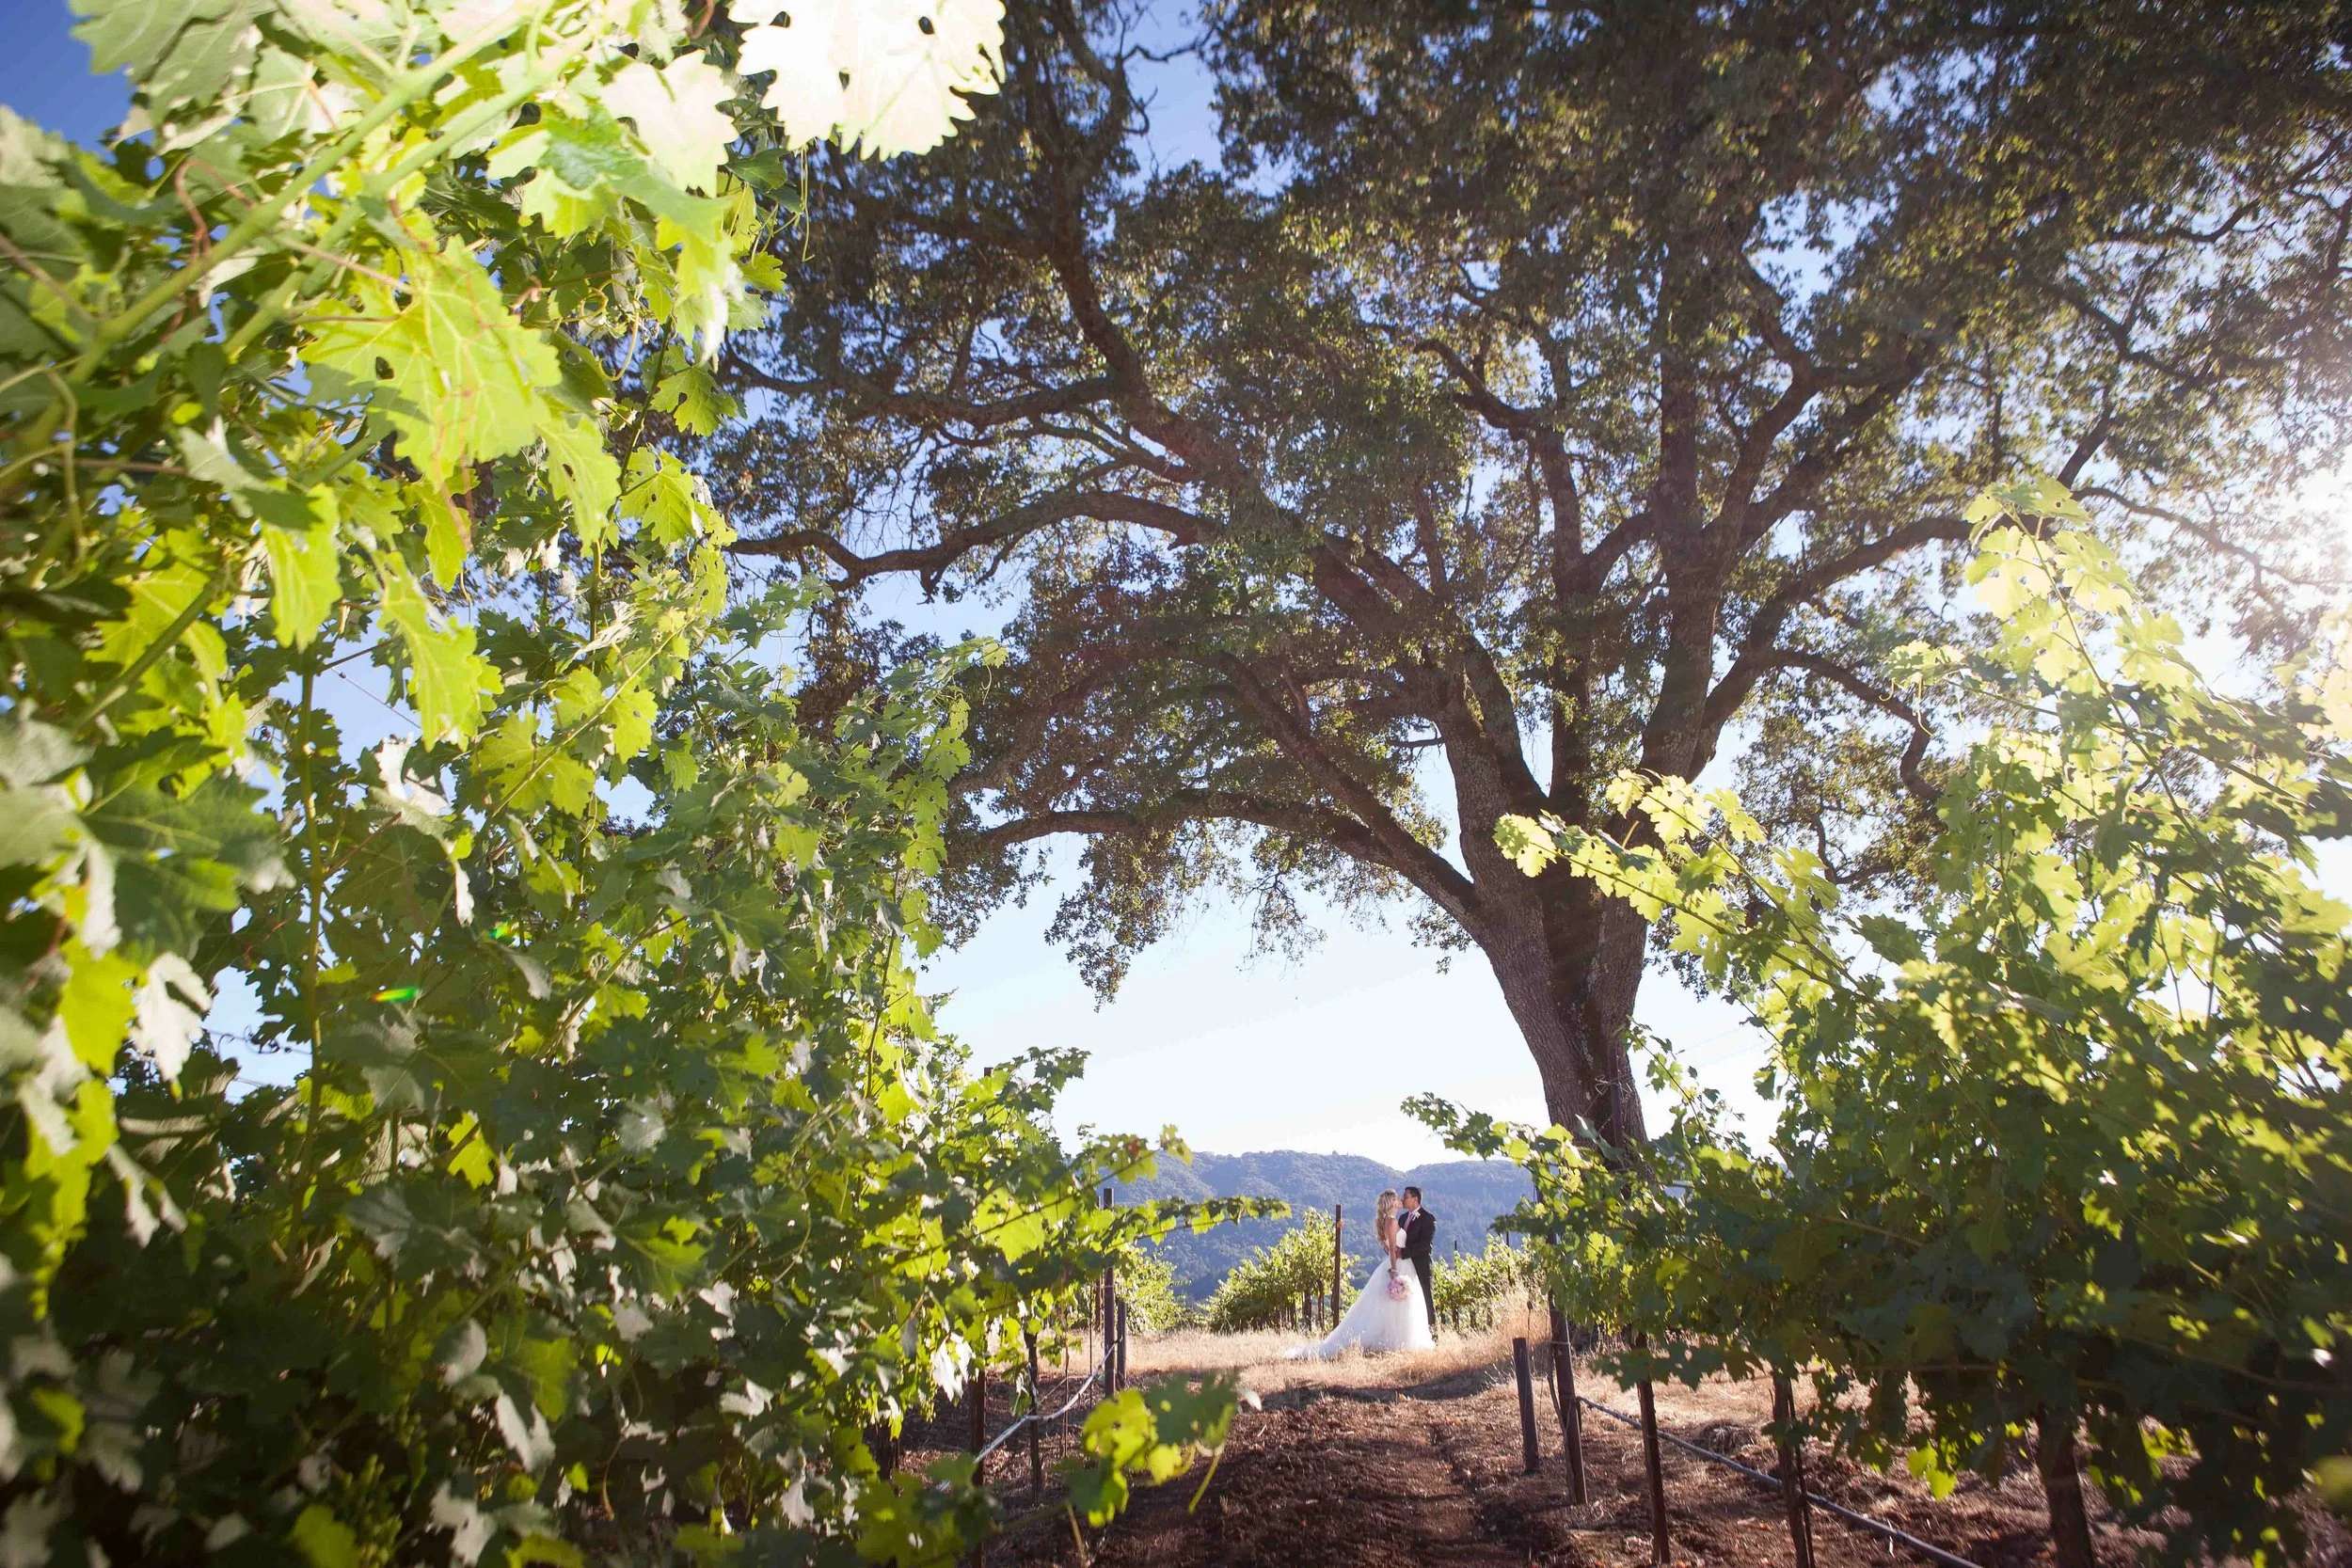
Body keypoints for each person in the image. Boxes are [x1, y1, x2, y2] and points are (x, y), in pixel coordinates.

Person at [1287, 1190, 1434, 1359]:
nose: (1401, 1199)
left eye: (1403, 1197)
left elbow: (1388, 1247)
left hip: (1403, 1264)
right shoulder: (1393, 1222)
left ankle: (1397, 1341)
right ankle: (1397, 1341)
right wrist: (1394, 1271)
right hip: (1398, 1266)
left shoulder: (1389, 1221)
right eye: (1397, 1198)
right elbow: (1392, 1250)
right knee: (1399, 1306)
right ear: (1392, 1203)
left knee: (1394, 1307)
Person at [1398, 1185, 1437, 1328]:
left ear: (1415, 1199)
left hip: (1420, 1266)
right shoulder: (1401, 1218)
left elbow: (1425, 1244)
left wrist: (1404, 1253)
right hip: (1403, 1265)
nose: (1403, 1199)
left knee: (1426, 1298)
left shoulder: (1428, 1218)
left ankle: (1433, 1333)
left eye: (1406, 1197)